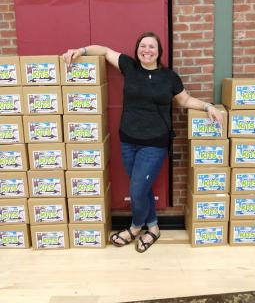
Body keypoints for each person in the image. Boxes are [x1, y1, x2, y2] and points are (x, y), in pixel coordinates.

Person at [62, 31, 223, 253]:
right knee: (142, 187)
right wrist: (80, 50)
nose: (147, 50)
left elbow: (184, 100)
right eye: (143, 46)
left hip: (154, 144)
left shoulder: (169, 77)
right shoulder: (129, 66)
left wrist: (208, 106)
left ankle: (135, 227)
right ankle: (154, 227)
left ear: (159, 52)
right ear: (137, 49)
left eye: (152, 47)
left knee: (137, 190)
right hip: (128, 141)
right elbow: (106, 51)